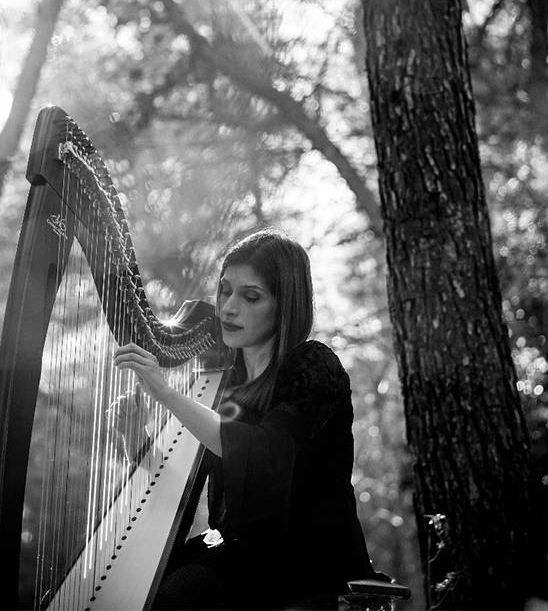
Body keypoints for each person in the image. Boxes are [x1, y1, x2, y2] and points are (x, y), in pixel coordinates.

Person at [113, 229, 375, 610]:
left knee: (172, 597)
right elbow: (179, 487)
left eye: (250, 296)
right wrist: (136, 434)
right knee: (140, 586)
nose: (228, 308)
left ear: (285, 306)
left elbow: (262, 458)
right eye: (225, 291)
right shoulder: (226, 386)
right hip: (245, 555)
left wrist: (167, 395)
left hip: (306, 560)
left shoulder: (313, 367)